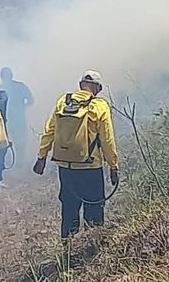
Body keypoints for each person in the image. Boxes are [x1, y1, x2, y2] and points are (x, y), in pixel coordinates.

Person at [32, 70, 120, 239]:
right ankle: (91, 249)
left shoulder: (62, 102)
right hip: (90, 167)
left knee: (69, 208)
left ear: (80, 86)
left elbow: (49, 130)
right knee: (94, 209)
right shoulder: (99, 106)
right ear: (98, 89)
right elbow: (107, 139)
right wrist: (113, 166)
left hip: (66, 167)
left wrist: (41, 156)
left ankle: (67, 249)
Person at [0, 67, 34, 169]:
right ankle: (17, 165)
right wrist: (22, 107)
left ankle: (10, 165)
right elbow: (30, 100)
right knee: (19, 143)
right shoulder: (18, 86)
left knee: (8, 142)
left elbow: (30, 100)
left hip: (8, 120)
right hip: (14, 119)